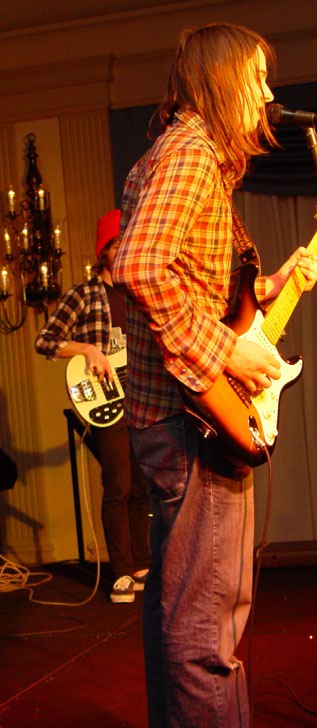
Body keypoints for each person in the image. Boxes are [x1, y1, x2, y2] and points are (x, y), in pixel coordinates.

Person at [111, 22, 317, 728]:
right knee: (207, 616)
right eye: (257, 77)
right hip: (191, 419)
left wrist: (267, 291)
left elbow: (195, 284)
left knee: (184, 609)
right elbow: (137, 266)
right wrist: (225, 351)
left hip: (175, 417)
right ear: (221, 79)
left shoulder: (184, 154)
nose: (268, 94)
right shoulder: (192, 153)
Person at [35, 210, 151, 603]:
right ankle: (121, 573)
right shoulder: (83, 294)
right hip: (105, 399)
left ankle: (142, 566)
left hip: (140, 397)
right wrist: (87, 349)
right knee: (118, 484)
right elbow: (45, 340)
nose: (124, 251)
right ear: (104, 252)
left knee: (142, 485)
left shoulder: (139, 295)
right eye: (118, 245)